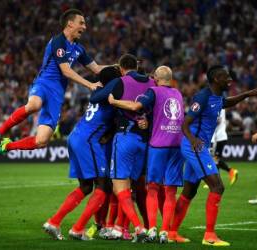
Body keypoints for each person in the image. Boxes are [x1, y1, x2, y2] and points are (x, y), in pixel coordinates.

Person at [0, 9, 103, 158]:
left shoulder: (79, 49)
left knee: (42, 141)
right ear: (70, 24)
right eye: (81, 23)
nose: (85, 27)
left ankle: (6, 146)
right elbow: (66, 71)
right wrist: (89, 84)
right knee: (34, 105)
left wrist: (120, 67)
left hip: (57, 94)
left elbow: (97, 69)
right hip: (44, 83)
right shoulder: (58, 41)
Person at [173, 65, 257, 247]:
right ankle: (209, 236)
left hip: (199, 146)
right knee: (217, 186)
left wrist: (247, 94)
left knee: (189, 191)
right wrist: (193, 140)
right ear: (216, 79)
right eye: (226, 76)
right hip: (195, 146)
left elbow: (226, 103)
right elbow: (186, 123)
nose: (230, 79)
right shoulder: (203, 96)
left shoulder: (216, 97)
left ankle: (171, 232)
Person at [108, 66, 186, 243]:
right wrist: (148, 120)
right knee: (171, 191)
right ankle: (165, 231)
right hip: (177, 145)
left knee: (152, 188)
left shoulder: (154, 91)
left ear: (157, 78)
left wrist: (115, 102)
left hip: (159, 145)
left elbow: (136, 106)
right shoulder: (178, 94)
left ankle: (151, 229)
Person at [43, 66, 121, 240]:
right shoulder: (111, 94)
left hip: (75, 136)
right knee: (104, 185)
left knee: (86, 186)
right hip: (88, 140)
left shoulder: (100, 92)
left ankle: (54, 222)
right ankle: (78, 228)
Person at [90, 53, 155, 242]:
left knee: (120, 188)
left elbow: (96, 98)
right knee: (134, 187)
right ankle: (120, 227)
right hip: (143, 141)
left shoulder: (121, 82)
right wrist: (147, 121)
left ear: (121, 68)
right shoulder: (152, 83)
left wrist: (104, 90)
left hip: (125, 137)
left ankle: (138, 227)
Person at [211, 109, 238, 185]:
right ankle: (216, 180)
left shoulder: (218, 106)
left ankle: (217, 180)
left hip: (219, 137)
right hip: (218, 137)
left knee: (214, 159)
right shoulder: (218, 104)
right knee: (215, 159)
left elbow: (218, 121)